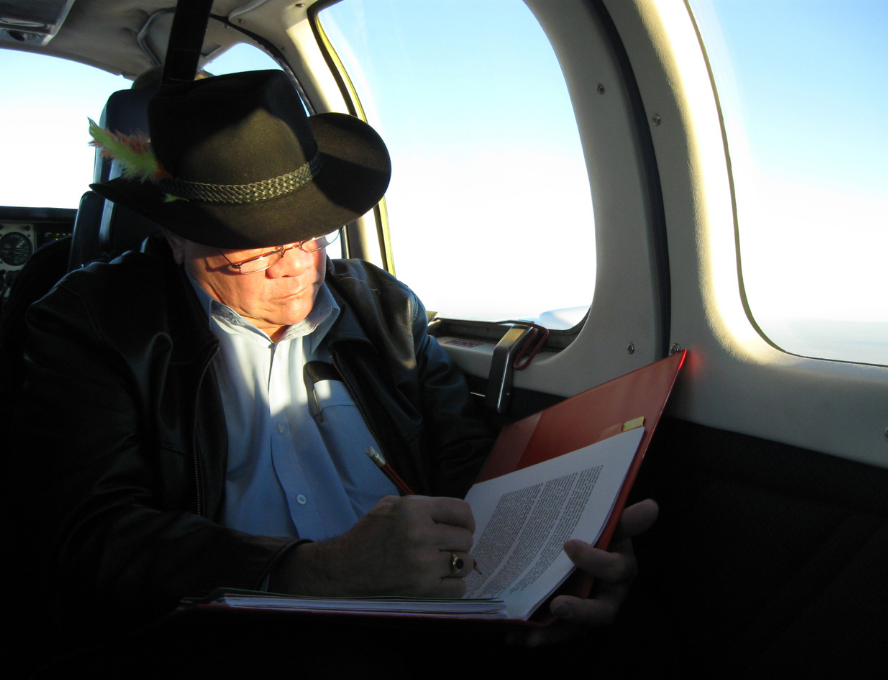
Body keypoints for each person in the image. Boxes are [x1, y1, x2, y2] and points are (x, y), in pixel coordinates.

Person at [10, 70, 657, 663]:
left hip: (430, 634)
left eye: (306, 236)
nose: (292, 268)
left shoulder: (384, 311)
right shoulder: (94, 322)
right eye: (248, 254)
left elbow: (470, 469)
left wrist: (559, 549)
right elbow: (90, 538)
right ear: (176, 239)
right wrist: (316, 569)